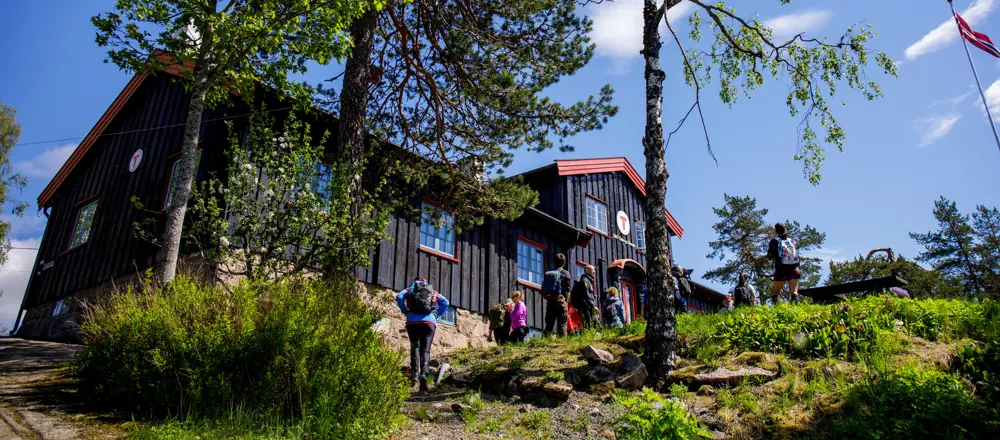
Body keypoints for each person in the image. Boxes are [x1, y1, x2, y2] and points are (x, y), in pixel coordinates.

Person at [395, 276, 450, 392]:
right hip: (429, 322)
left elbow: (399, 297)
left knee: (414, 347)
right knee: (425, 350)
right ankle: (424, 375)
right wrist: (436, 314)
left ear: (414, 281)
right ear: (424, 282)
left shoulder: (410, 289)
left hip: (412, 321)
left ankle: (415, 375)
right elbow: (446, 302)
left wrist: (406, 311)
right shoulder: (432, 291)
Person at [767, 222, 801, 304]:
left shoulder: (774, 241)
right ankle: (795, 308)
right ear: (785, 230)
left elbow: (770, 255)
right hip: (794, 268)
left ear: (776, 231)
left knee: (776, 293)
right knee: (794, 292)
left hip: (781, 268)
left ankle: (777, 307)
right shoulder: (790, 241)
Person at [541, 253, 572, 337]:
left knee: (549, 324)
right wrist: (566, 300)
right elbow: (567, 288)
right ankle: (562, 342)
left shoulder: (549, 273)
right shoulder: (565, 273)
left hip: (550, 301)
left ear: (554, 261)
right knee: (562, 324)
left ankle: (545, 341)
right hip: (560, 300)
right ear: (564, 262)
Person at [570, 265, 600, 329]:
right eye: (592, 270)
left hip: (589, 307)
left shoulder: (588, 281)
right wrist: (593, 306)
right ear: (586, 270)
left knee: (596, 325)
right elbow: (585, 294)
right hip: (585, 308)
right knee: (589, 325)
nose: (594, 271)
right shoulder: (584, 281)